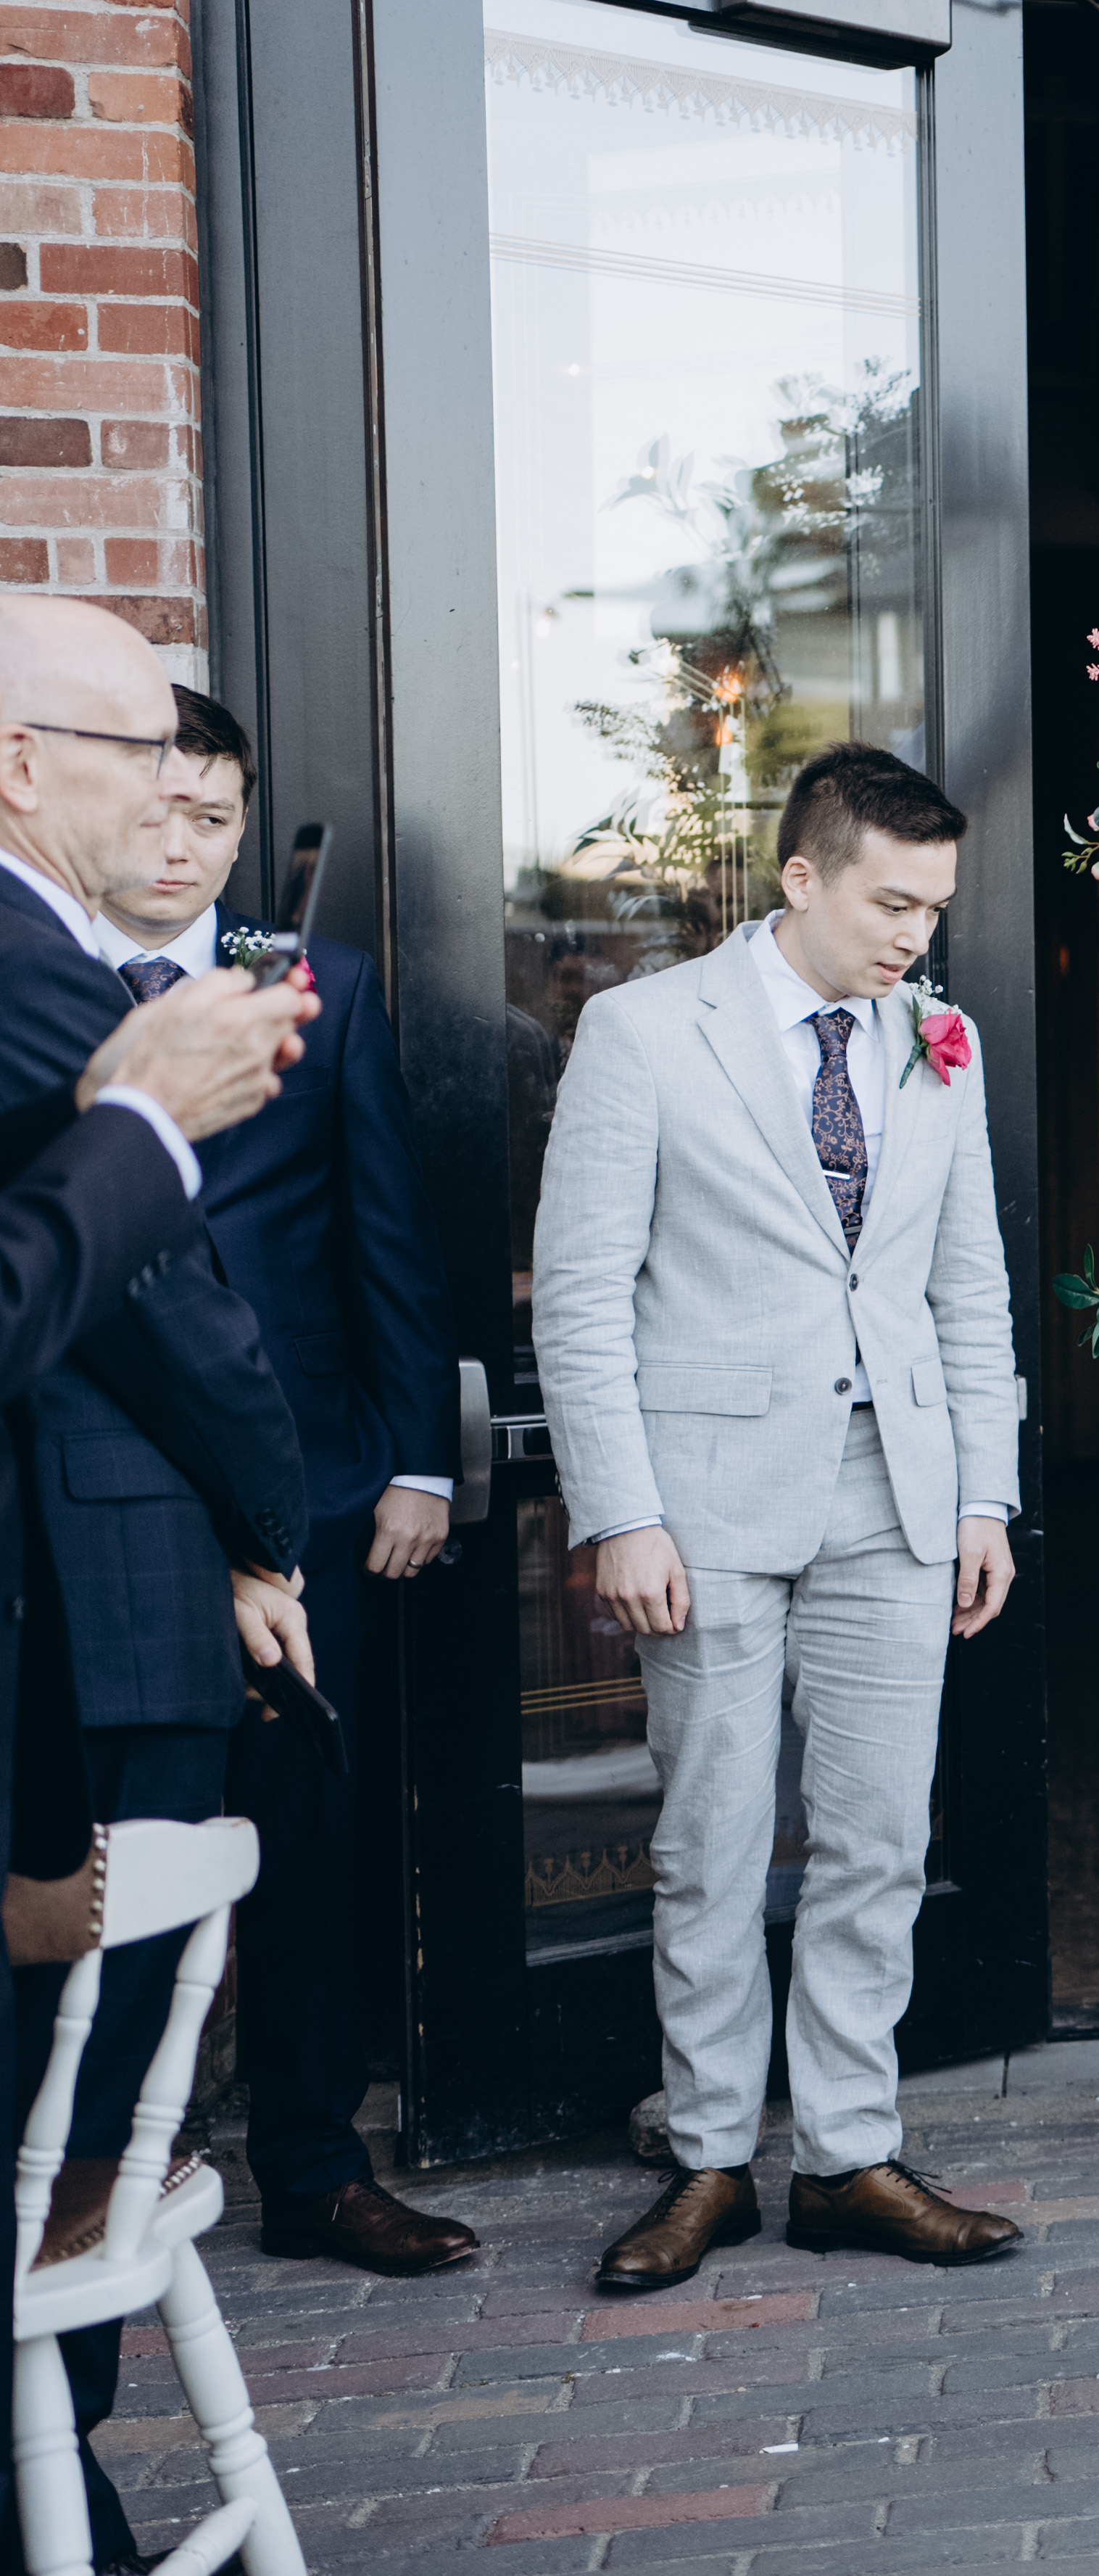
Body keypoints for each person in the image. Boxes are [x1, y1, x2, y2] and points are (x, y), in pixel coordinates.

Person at [532, 742, 1026, 2293]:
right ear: (801, 877)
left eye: (935, 911)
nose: (916, 940)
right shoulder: (642, 1031)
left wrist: (986, 1492)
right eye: (892, 905)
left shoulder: (939, 1040)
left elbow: (967, 1284)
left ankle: (848, 2155)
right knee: (712, 1841)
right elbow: (583, 1295)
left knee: (880, 1840)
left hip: (899, 1497)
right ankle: (706, 2156)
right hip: (707, 1505)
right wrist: (621, 1510)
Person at [0, 590, 319, 2573]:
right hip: (83, 1602)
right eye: (142, 750)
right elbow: (151, 1298)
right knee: (69, 2121)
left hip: (109, 1587)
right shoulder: (28, 964)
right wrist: (265, 1522)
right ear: (23, 762)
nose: (179, 787)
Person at [92, 687, 477, 2275]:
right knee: (116, 1849)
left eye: (217, 817)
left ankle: (316, 2168)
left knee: (308, 1846)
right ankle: (103, 2175)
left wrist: (416, 1459)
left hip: (311, 1490)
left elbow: (387, 1232)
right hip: (104, 1506)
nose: (184, 845)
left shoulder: (313, 979)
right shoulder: (39, 978)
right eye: (160, 810)